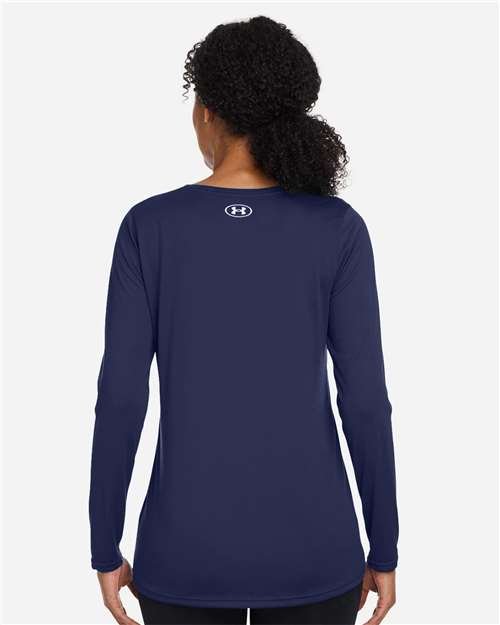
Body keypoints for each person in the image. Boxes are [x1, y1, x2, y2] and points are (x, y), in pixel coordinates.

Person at [89, 15, 399, 625]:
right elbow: (366, 401)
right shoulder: (337, 229)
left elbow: (120, 398)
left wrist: (104, 545)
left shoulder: (149, 227)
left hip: (182, 557)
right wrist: (383, 546)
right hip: (317, 554)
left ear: (206, 111)